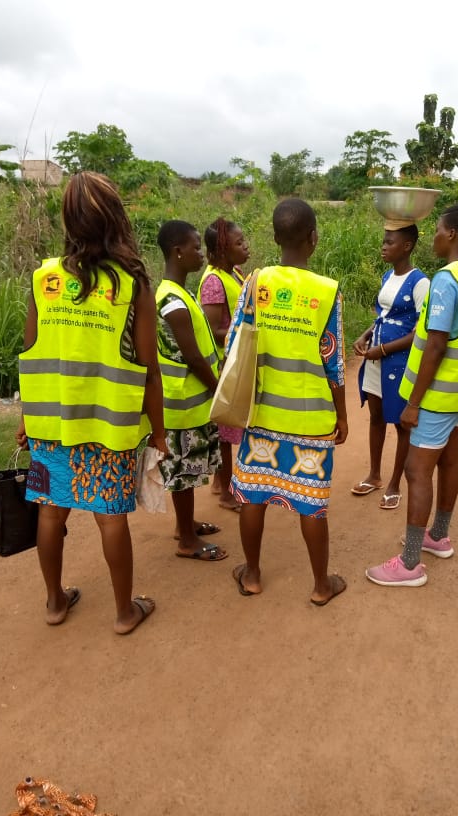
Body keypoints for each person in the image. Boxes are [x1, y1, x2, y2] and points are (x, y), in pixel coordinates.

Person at [16, 171, 166, 633]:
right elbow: (149, 369)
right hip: (109, 426)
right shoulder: (131, 285)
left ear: (68, 220)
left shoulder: (45, 279)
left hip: (50, 424)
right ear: (116, 219)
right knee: (110, 517)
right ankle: (123, 613)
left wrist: (25, 418)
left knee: (50, 510)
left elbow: (33, 353)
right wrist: (159, 432)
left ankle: (55, 602)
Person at [366, 203, 458, 587]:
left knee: (417, 470)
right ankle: (438, 537)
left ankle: (410, 563)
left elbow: (436, 344)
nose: (435, 237)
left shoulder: (446, 280)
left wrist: (413, 403)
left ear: (452, 234)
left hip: (439, 394)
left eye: (439, 230)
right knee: (448, 460)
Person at [228, 198, 348, 605]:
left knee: (253, 495)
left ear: (275, 237)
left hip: (260, 412)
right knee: (311, 504)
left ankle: (252, 574)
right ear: (313, 238)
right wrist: (342, 416)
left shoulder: (255, 282)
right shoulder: (326, 291)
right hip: (311, 419)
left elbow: (235, 342)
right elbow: (333, 361)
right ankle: (320, 585)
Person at [155, 220, 227, 561]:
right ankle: (186, 539)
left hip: (190, 402)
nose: (201, 254)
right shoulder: (172, 300)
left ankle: (187, 524)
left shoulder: (179, 293)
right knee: (184, 473)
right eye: (196, 247)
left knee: (190, 468)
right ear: (177, 252)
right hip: (182, 404)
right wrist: (219, 389)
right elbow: (194, 358)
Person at [351, 224, 429, 510]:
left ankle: (395, 483)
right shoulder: (387, 276)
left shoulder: (420, 283)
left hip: (398, 363)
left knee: (400, 423)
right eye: (383, 242)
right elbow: (382, 316)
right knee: (376, 417)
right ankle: (374, 475)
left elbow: (420, 332)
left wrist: (383, 350)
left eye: (390, 242)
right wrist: (365, 335)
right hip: (375, 360)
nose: (383, 247)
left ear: (407, 246)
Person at [198, 217, 250, 512]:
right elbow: (212, 329)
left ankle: (220, 482)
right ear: (221, 250)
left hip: (235, 361)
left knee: (226, 431)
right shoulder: (214, 282)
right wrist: (247, 333)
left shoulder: (234, 273)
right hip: (223, 365)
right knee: (226, 434)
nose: (246, 246)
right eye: (239, 243)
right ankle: (228, 493)